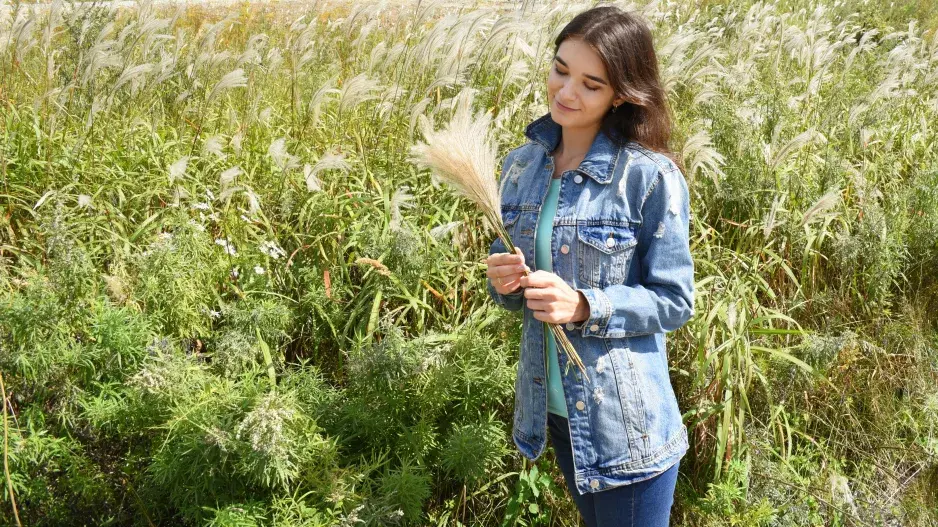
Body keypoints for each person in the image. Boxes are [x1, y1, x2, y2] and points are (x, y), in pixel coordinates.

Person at [484, 6, 695, 526]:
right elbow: (516, 292)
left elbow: (674, 299)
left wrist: (583, 304)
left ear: (621, 93)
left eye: (590, 84)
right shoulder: (520, 167)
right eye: (560, 69)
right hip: (554, 415)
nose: (566, 92)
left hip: (626, 424)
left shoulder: (648, 178)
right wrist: (503, 282)